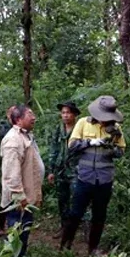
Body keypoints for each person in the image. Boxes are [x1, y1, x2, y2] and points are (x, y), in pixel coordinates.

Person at [60, 95, 126, 255]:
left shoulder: (115, 128)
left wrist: (110, 147)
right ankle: (65, 247)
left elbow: (121, 151)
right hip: (84, 177)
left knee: (99, 216)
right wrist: (89, 143)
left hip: (104, 179)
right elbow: (72, 146)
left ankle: (92, 250)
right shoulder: (83, 123)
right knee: (75, 214)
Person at [0, 104, 44, 257]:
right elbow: (11, 174)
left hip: (27, 196)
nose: (34, 117)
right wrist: (20, 196)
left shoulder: (25, 136)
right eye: (29, 114)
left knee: (23, 232)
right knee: (17, 233)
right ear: (18, 120)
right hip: (19, 200)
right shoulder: (13, 140)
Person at [48, 101, 80, 236]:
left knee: (77, 199)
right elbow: (53, 149)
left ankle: (79, 228)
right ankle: (64, 227)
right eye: (63, 113)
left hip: (75, 170)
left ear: (74, 114)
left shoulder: (80, 128)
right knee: (62, 199)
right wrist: (51, 170)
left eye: (68, 113)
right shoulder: (58, 129)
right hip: (61, 169)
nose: (65, 116)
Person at [0, 105, 16, 236]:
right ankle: (0, 225)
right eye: (10, 113)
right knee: (5, 196)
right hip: (6, 164)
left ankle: (13, 224)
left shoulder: (22, 129)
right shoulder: (3, 126)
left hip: (17, 165)